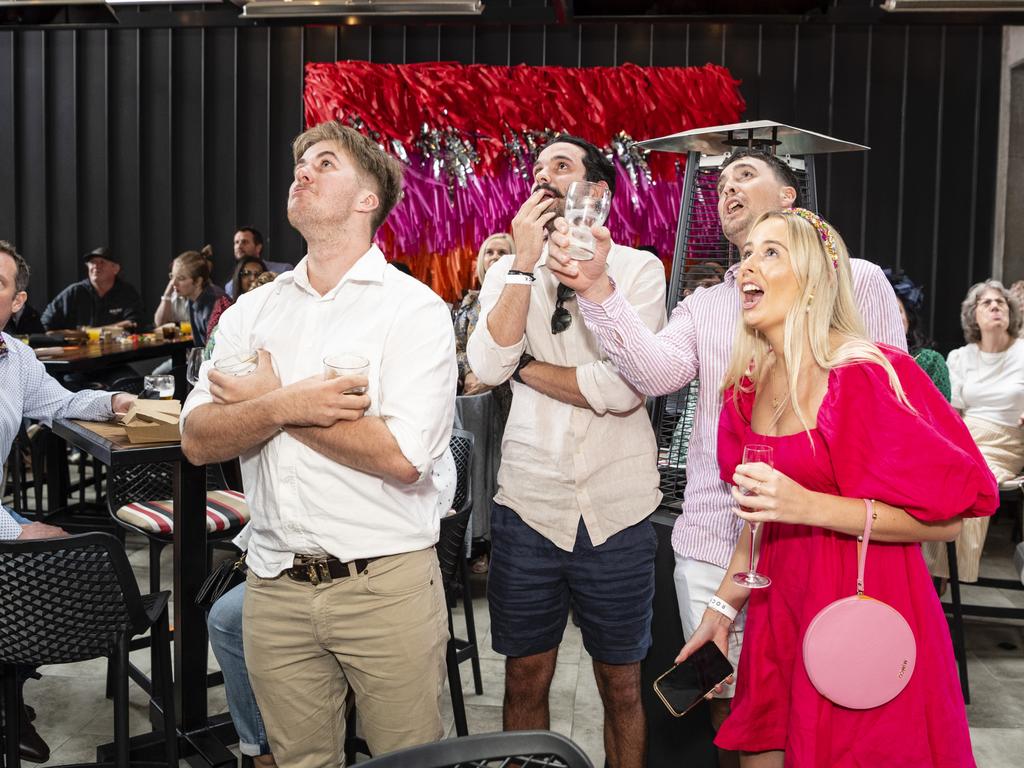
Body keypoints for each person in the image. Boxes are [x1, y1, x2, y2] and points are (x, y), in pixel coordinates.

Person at [546, 148, 905, 768]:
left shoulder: (859, 280)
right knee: (731, 705)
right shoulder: (707, 304)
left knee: (833, 702)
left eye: (746, 175)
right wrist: (599, 289)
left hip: (831, 541)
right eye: (720, 181)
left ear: (790, 198)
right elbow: (654, 373)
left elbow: (893, 415)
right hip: (716, 541)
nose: (726, 186)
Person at [675, 208, 996, 765]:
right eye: (747, 252)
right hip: (781, 607)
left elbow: (948, 519)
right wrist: (722, 612)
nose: (748, 263)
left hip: (861, 611)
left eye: (770, 251)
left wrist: (810, 505)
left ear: (815, 278)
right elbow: (759, 518)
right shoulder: (746, 386)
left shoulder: (866, 375)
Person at [180, 120, 455, 767]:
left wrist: (273, 406)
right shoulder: (250, 312)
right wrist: (289, 402)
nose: (300, 171)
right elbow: (196, 438)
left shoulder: (414, 311)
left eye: (323, 163)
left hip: (384, 585)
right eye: (299, 163)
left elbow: (403, 457)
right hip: (274, 586)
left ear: (368, 199)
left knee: (409, 760)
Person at [467, 135, 666, 768]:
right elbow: (485, 366)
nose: (544, 177)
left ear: (598, 192)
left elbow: (624, 388)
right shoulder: (507, 272)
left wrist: (530, 369)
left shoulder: (637, 271)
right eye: (537, 170)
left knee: (623, 684)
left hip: (620, 506)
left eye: (562, 166)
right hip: (529, 505)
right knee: (525, 676)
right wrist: (524, 265)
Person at [0, 241, 134, 762]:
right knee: (40, 556)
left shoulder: (15, 357)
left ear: (17, 302)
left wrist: (114, 401)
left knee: (76, 560)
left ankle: (10, 686)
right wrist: (14, 532)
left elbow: (59, 404)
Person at [923, 279, 1024, 583]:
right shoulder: (960, 357)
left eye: (1001, 302)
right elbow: (952, 413)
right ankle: (926, 574)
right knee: (932, 473)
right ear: (973, 316)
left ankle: (941, 577)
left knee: (972, 478)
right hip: (966, 437)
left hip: (1005, 442)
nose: (995, 306)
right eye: (987, 303)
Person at [455, 233, 514, 396]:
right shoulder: (470, 303)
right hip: (475, 398)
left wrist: (491, 380)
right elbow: (457, 348)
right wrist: (468, 374)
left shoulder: (524, 299)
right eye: (489, 252)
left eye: (502, 253)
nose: (495, 257)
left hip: (513, 394)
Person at [40, 247, 144, 331]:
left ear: (115, 269)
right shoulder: (74, 292)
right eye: (92, 262)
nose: (95, 266)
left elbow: (134, 323)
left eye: (102, 262)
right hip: (78, 354)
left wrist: (91, 332)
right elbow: (46, 322)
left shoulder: (126, 292)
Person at [885, 268, 950, 399]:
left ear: (909, 319)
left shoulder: (931, 362)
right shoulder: (859, 363)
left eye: (898, 310)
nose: (893, 318)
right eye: (885, 310)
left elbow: (940, 415)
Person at [206, 257, 267, 340]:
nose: (253, 278)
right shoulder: (225, 306)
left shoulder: (270, 307)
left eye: (258, 274)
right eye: (246, 273)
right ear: (238, 277)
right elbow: (212, 341)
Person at [225, 228, 292, 298]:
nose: (239, 246)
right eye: (236, 242)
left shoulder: (283, 270)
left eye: (244, 242)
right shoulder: (230, 286)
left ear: (258, 248)